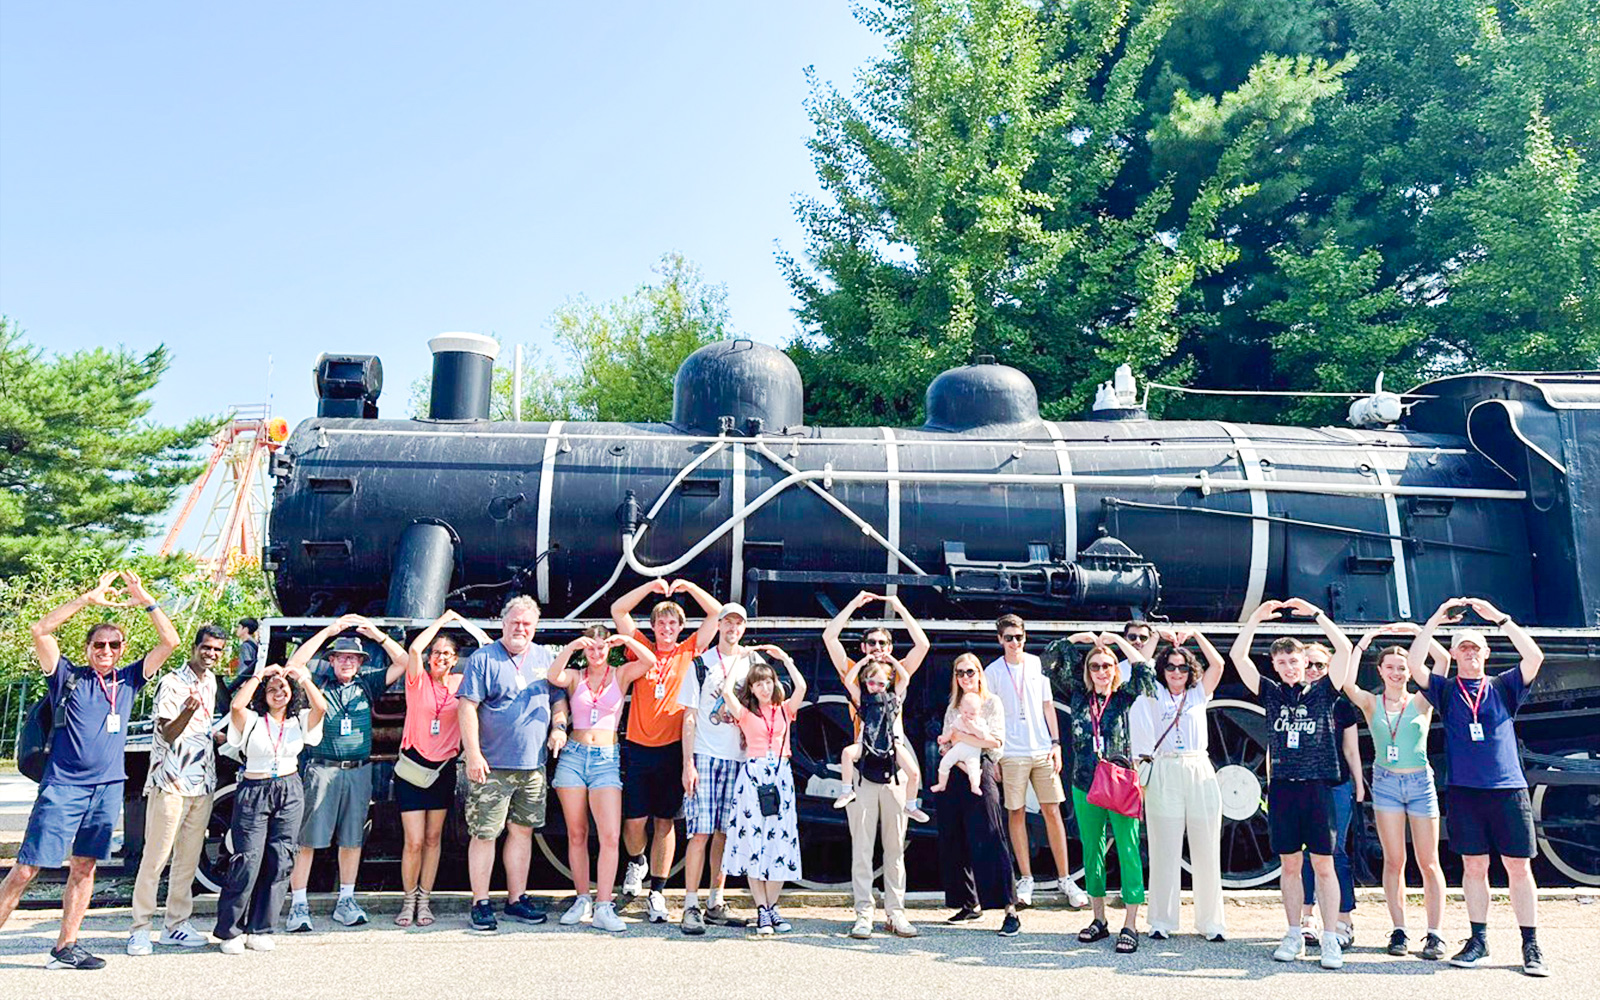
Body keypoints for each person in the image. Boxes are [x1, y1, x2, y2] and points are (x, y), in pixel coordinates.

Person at [0, 570, 178, 971]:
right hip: (63, 786)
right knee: (28, 867)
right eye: (99, 644)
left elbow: (171, 641)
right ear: (88, 648)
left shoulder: (130, 679)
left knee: (84, 866)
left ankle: (66, 947)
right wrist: (89, 598)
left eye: (114, 645)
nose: (107, 650)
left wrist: (143, 596)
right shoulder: (67, 677)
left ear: (121, 648)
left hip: (107, 787)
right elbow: (40, 629)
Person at [1409, 597, 1548, 976]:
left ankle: (1530, 944)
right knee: (1474, 866)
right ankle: (1478, 939)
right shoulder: (1446, 690)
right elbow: (1413, 664)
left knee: (1519, 867)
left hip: (1507, 788)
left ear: (1486, 653)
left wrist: (1500, 618)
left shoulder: (1504, 686)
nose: (1470, 653)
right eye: (1463, 648)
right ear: (1454, 655)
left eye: (1475, 647)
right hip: (1466, 790)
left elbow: (1534, 657)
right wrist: (1436, 617)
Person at [1229, 597, 1354, 969]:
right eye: (1281, 662)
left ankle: (1330, 937)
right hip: (1283, 786)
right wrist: (1254, 618)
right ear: (1275, 665)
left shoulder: (1324, 690)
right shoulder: (1270, 692)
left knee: (1324, 864)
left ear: (1304, 663)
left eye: (1293, 661)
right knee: (1289, 865)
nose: (1287, 667)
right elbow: (1239, 657)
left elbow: (1344, 648)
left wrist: (1315, 614)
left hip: (1317, 786)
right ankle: (1294, 932)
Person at [285, 614, 407, 932]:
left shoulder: (367, 684)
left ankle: (346, 900)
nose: (348, 662)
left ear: (359, 662)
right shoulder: (319, 684)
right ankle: (298, 905)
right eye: (342, 657)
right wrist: (328, 631)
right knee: (307, 839)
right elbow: (295, 666)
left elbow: (404, 662)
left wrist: (379, 635)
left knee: (352, 839)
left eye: (353, 657)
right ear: (333, 660)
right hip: (322, 770)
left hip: (358, 771)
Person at [610, 577, 720, 923]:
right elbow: (618, 610)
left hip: (674, 749)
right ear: (654, 626)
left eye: (673, 623)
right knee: (634, 821)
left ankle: (657, 890)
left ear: (679, 627)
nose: (667, 628)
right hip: (639, 746)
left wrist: (689, 588)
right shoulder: (639, 646)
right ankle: (636, 862)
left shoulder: (689, 651)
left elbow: (716, 614)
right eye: (661, 622)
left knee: (666, 822)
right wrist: (650, 588)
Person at [458, 595, 569, 931]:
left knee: (522, 833)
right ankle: (480, 902)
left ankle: (516, 899)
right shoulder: (483, 658)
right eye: (515, 622)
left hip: (532, 766)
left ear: (534, 628)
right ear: (503, 623)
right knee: (485, 834)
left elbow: (559, 698)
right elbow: (466, 708)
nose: (521, 628)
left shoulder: (545, 657)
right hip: (491, 765)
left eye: (527, 624)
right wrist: (473, 753)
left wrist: (559, 727)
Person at [1343, 622, 1449, 961]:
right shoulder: (1371, 703)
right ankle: (1399, 929)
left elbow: (1443, 661)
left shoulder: (1422, 700)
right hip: (1387, 783)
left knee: (1429, 862)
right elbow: (1346, 682)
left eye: (1402, 667)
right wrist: (1365, 642)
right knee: (1394, 860)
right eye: (1390, 667)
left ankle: (1435, 933)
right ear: (1381, 670)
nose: (1397, 672)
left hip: (1419, 782)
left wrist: (1420, 632)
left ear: (1409, 671)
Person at [1048, 630, 1157, 953]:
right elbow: (1052, 656)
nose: (1100, 671)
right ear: (1088, 670)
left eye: (1106, 666)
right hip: (1085, 781)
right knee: (1091, 850)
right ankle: (1099, 919)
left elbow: (1145, 670)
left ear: (1114, 670)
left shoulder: (1124, 696)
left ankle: (1131, 924)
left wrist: (1117, 642)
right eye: (1095, 666)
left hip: (1121, 781)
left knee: (1128, 849)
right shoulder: (1079, 696)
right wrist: (1082, 638)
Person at [547, 625, 659, 932]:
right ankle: (582, 898)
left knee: (610, 835)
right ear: (585, 650)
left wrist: (625, 641)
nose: (597, 653)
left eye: (602, 647)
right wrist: (571, 647)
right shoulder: (574, 677)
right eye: (591, 648)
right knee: (577, 833)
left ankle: (604, 905)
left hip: (606, 758)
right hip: (574, 754)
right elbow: (552, 676)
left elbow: (650, 662)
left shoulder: (620, 674)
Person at [213, 662, 328, 953]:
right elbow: (237, 705)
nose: (279, 693)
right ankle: (230, 931)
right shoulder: (252, 719)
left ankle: (260, 928)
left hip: (289, 788)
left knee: (280, 858)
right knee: (247, 859)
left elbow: (322, 708)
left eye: (284, 689)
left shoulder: (298, 721)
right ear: (263, 694)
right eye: (273, 689)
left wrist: (301, 677)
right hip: (255, 787)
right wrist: (260, 675)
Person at [127, 624, 227, 956]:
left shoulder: (211, 682)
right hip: (171, 781)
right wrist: (188, 710)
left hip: (202, 782)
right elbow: (168, 734)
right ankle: (140, 928)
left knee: (187, 859)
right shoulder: (172, 683)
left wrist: (216, 736)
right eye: (207, 648)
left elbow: (202, 726)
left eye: (217, 650)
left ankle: (175, 925)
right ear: (194, 647)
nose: (211, 654)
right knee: (155, 858)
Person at [393, 609, 492, 928]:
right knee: (414, 841)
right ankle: (408, 901)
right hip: (412, 768)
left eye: (447, 653)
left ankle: (425, 901)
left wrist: (466, 625)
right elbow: (413, 650)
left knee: (434, 839)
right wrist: (442, 621)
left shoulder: (462, 683)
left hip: (442, 770)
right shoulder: (417, 680)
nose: (440, 657)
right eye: (436, 652)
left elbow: (489, 648)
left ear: (454, 659)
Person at [986, 614, 1088, 910]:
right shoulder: (992, 672)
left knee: (1052, 811)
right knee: (1015, 813)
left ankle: (1065, 878)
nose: (1014, 643)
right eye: (1009, 638)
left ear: (1025, 637)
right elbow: (990, 713)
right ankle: (1026, 878)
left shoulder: (1036, 665)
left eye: (1018, 637)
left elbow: (1048, 706)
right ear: (1000, 640)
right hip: (1011, 752)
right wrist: (995, 756)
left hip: (1042, 748)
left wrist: (1055, 744)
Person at [1133, 628, 1226, 942]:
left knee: (1206, 847)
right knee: (1164, 847)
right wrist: (1157, 638)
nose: (1176, 672)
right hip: (1165, 766)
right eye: (1170, 667)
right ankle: (1160, 920)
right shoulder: (1153, 691)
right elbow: (1140, 664)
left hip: (1198, 765)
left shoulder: (1200, 692)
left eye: (1182, 667)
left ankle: (1211, 923)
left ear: (1190, 671)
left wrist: (1197, 635)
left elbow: (1219, 665)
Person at [676, 602, 758, 934]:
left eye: (738, 624)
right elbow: (689, 716)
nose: (732, 629)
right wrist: (687, 764)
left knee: (725, 833)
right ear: (720, 625)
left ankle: (715, 900)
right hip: (706, 755)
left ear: (743, 629)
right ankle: (690, 905)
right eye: (728, 622)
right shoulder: (700, 664)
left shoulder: (753, 662)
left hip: (739, 758)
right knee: (700, 833)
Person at [718, 643, 807, 935]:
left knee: (780, 841)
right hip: (754, 775)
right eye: (759, 684)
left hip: (780, 774)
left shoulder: (784, 710)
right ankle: (761, 909)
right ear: (752, 689)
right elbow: (727, 691)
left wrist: (786, 659)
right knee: (755, 842)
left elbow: (802, 687)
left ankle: (772, 906)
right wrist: (738, 662)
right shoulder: (745, 713)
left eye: (768, 681)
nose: (765, 688)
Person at [823, 591, 932, 821]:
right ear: (863, 647)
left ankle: (910, 806)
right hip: (864, 753)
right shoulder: (854, 672)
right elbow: (830, 637)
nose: (877, 647)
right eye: (871, 642)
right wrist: (853, 603)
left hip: (893, 750)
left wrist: (901, 608)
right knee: (862, 836)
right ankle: (846, 792)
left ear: (890, 648)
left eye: (882, 643)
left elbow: (923, 645)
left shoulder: (897, 674)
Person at [934, 653, 1021, 936]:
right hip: (955, 771)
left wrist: (963, 739)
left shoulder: (991, 703)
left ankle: (1010, 909)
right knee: (955, 837)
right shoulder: (953, 706)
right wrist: (960, 745)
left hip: (981, 769)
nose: (965, 677)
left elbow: (995, 743)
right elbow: (946, 743)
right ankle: (969, 903)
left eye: (970, 672)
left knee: (992, 835)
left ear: (979, 674)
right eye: (960, 672)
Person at [840, 654, 919, 939]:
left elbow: (906, 677)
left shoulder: (895, 696)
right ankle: (864, 912)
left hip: (893, 772)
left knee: (895, 848)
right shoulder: (862, 698)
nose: (875, 685)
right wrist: (862, 663)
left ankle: (895, 912)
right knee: (862, 847)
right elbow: (850, 681)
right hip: (865, 772)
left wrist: (892, 661)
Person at [1299, 643, 1364, 951]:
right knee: (1304, 854)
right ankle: (1307, 915)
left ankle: (1343, 918)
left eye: (1320, 665)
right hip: (1300, 785)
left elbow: (1351, 748)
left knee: (1335, 852)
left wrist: (1359, 783)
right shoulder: (1289, 700)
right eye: (1308, 664)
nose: (1313, 670)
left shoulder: (1340, 705)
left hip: (1335, 783)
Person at [929, 693, 989, 795]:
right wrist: (944, 739)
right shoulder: (959, 720)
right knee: (944, 763)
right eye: (965, 712)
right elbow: (952, 731)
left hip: (972, 750)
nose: (968, 716)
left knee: (973, 769)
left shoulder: (980, 722)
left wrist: (973, 727)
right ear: (961, 709)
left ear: (979, 712)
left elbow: (983, 735)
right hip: (958, 749)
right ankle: (942, 784)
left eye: (972, 714)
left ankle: (975, 786)